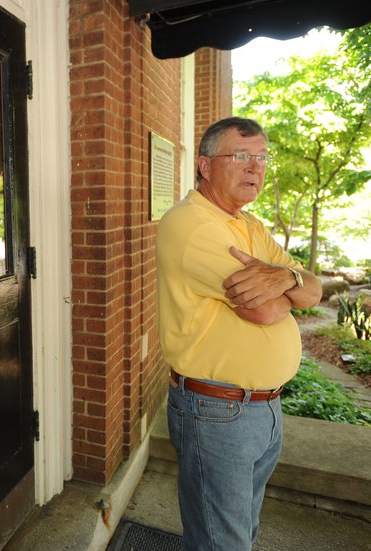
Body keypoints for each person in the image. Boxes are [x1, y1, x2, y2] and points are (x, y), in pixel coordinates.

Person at [156, 117, 322, 551]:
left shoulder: (248, 226)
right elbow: (266, 311)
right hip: (217, 412)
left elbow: (315, 289)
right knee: (220, 541)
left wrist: (284, 275)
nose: (256, 167)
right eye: (241, 156)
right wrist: (292, 286)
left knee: (240, 530)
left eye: (262, 157)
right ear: (205, 166)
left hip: (262, 410)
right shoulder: (193, 225)